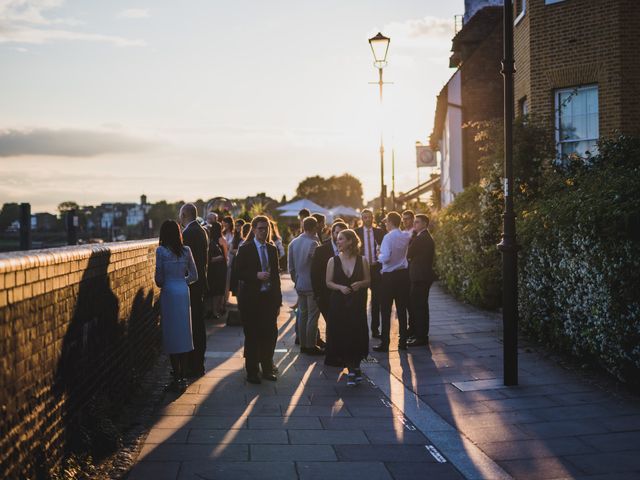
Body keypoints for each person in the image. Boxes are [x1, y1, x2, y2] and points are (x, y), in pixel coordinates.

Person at [235, 216, 282, 384]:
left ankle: (267, 369)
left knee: (270, 335)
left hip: (268, 299)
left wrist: (278, 301)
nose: (264, 231)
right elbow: (237, 272)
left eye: (266, 228)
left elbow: (276, 277)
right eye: (261, 228)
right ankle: (252, 371)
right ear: (254, 230)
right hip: (251, 300)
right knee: (253, 336)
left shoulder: (272, 249)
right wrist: (256, 275)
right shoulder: (245, 248)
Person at [155, 220, 198, 391]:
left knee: (172, 333)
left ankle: (176, 374)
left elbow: (159, 280)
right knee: (184, 332)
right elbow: (194, 276)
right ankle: (184, 376)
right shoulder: (186, 251)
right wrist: (182, 282)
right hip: (183, 291)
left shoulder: (161, 251)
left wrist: (169, 282)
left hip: (169, 292)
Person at [325, 229, 370, 385]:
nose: (338, 242)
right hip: (339, 303)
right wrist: (340, 287)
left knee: (357, 333)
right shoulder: (333, 261)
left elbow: (368, 280)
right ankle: (352, 369)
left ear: (350, 241)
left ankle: (355, 367)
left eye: (341, 239)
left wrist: (360, 284)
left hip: (357, 303)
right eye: (337, 239)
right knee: (343, 335)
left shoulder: (362, 260)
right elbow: (328, 282)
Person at [374, 211, 411, 352]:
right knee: (402, 310)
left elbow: (386, 257)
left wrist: (378, 254)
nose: (385, 224)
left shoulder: (388, 237)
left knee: (385, 310)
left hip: (389, 277)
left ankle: (385, 343)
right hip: (403, 275)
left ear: (390, 222)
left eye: (386, 222)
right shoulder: (405, 236)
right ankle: (403, 342)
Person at [311, 221, 348, 366]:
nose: (339, 236)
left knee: (340, 325)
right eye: (337, 232)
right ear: (332, 233)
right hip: (325, 295)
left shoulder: (349, 251)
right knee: (332, 325)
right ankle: (332, 356)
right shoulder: (322, 250)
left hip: (343, 295)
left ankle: (339, 353)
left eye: (342, 234)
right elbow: (314, 274)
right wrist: (318, 295)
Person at [179, 203, 209, 377]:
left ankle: (195, 364)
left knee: (194, 326)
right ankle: (198, 363)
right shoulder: (202, 231)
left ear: (184, 215)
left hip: (192, 284)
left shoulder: (188, 233)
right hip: (200, 283)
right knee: (198, 324)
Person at [288, 216, 322, 355]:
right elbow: (317, 265)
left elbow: (290, 267)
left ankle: (302, 344)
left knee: (302, 314)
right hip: (312, 284)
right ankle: (310, 345)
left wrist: (296, 280)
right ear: (314, 228)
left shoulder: (293, 242)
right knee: (312, 316)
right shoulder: (313, 243)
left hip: (299, 283)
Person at [355, 209, 385, 338]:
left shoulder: (380, 232)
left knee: (376, 300)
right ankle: (360, 329)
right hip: (361, 270)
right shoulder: (356, 233)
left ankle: (375, 329)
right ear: (362, 219)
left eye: (369, 217)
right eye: (365, 217)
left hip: (376, 269)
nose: (367, 219)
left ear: (373, 218)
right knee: (360, 300)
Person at [407, 214, 435, 347]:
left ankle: (421, 337)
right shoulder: (425, 237)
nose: (414, 225)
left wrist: (412, 236)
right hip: (422, 276)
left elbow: (409, 253)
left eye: (417, 222)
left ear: (424, 224)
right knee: (421, 307)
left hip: (420, 277)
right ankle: (420, 335)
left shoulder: (421, 238)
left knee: (419, 307)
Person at [207, 221, 228, 318]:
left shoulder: (209, 240)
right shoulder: (222, 239)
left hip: (211, 269)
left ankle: (211, 310)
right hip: (220, 268)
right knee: (219, 290)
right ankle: (216, 311)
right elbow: (225, 255)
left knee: (212, 289)